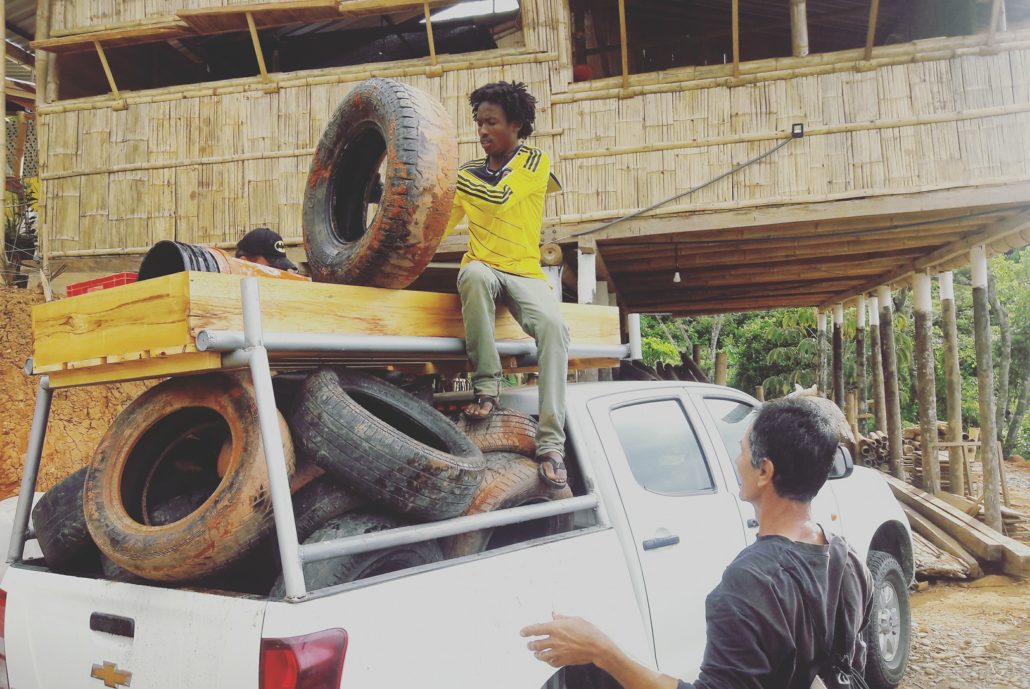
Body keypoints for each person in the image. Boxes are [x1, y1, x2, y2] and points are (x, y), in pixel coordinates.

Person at [521, 396, 874, 689]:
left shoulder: (752, 581)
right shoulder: (850, 561)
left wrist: (602, 651)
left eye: (741, 450)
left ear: (765, 471)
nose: (736, 460)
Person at [445, 81, 569, 489]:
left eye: (491, 122)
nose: (482, 131)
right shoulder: (468, 172)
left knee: (554, 327)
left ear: (515, 124)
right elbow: (443, 222)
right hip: (483, 266)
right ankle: (486, 388)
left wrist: (449, 182)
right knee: (472, 274)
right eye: (479, 123)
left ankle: (551, 444)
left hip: (524, 272)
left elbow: (499, 196)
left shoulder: (534, 162)